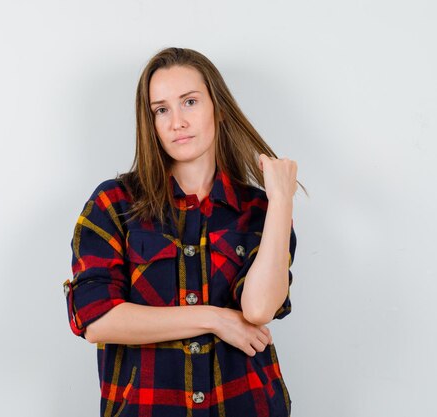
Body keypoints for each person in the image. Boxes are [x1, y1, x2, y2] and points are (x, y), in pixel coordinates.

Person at [62, 47, 307, 417]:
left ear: (217, 109)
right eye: (161, 109)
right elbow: (97, 319)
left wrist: (281, 199)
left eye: (189, 102)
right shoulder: (114, 204)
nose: (177, 121)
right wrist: (215, 318)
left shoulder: (260, 211)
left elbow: (258, 308)